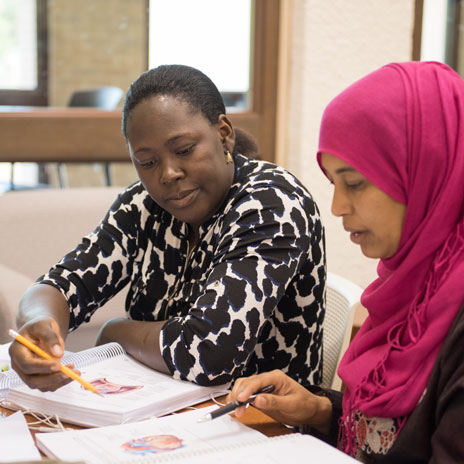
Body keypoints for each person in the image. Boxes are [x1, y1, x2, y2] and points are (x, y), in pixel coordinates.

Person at [9, 64, 326, 392]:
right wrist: (38, 325)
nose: (168, 174)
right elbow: (62, 284)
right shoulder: (144, 206)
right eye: (147, 162)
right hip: (161, 411)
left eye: (184, 150)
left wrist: (115, 332)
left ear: (224, 133)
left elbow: (208, 352)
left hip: (262, 424)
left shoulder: (272, 202)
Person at [227, 61, 464, 462]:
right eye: (333, 183)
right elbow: (396, 438)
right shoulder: (414, 283)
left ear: (427, 168)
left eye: (354, 183)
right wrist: (320, 411)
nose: (336, 207)